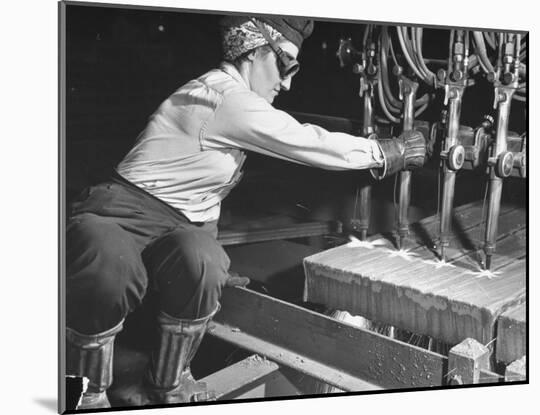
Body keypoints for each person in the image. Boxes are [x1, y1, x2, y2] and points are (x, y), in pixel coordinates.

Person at [65, 14, 426, 409]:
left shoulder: (237, 103)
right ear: (253, 51)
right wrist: (385, 152)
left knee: (205, 262)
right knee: (109, 263)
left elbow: (201, 201)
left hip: (175, 223)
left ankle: (168, 385)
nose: (287, 82)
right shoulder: (224, 97)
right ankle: (88, 393)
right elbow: (304, 142)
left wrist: (209, 275)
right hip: (118, 213)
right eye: (285, 63)